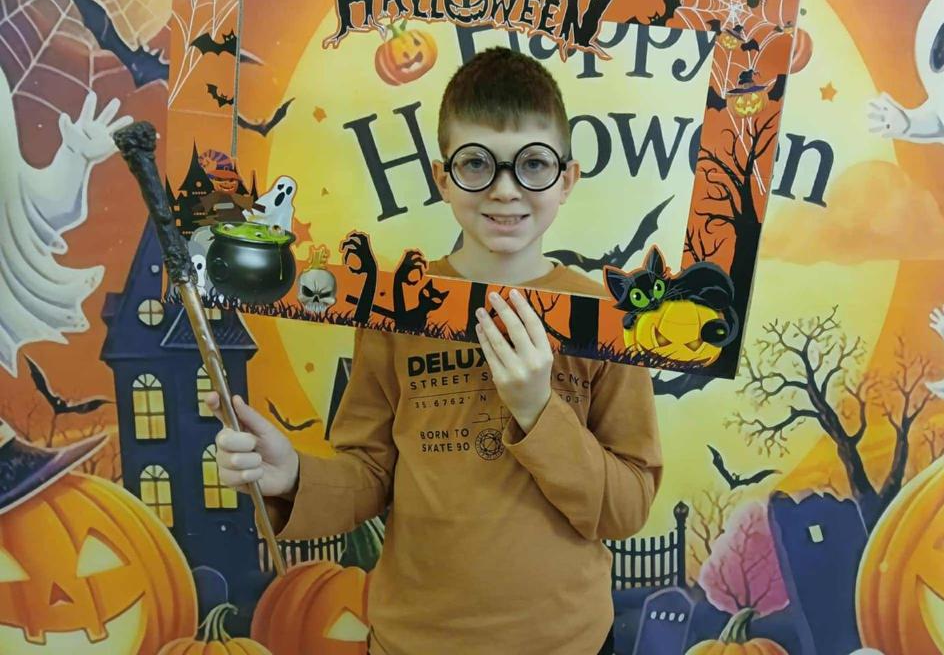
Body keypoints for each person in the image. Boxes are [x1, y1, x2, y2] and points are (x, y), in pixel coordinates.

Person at [207, 47, 663, 655]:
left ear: (567, 179)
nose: (505, 190)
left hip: (568, 641)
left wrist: (537, 409)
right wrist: (292, 475)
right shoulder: (395, 310)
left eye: (533, 164)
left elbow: (627, 508)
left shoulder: (607, 321)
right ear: (443, 177)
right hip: (412, 640)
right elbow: (371, 474)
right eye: (477, 164)